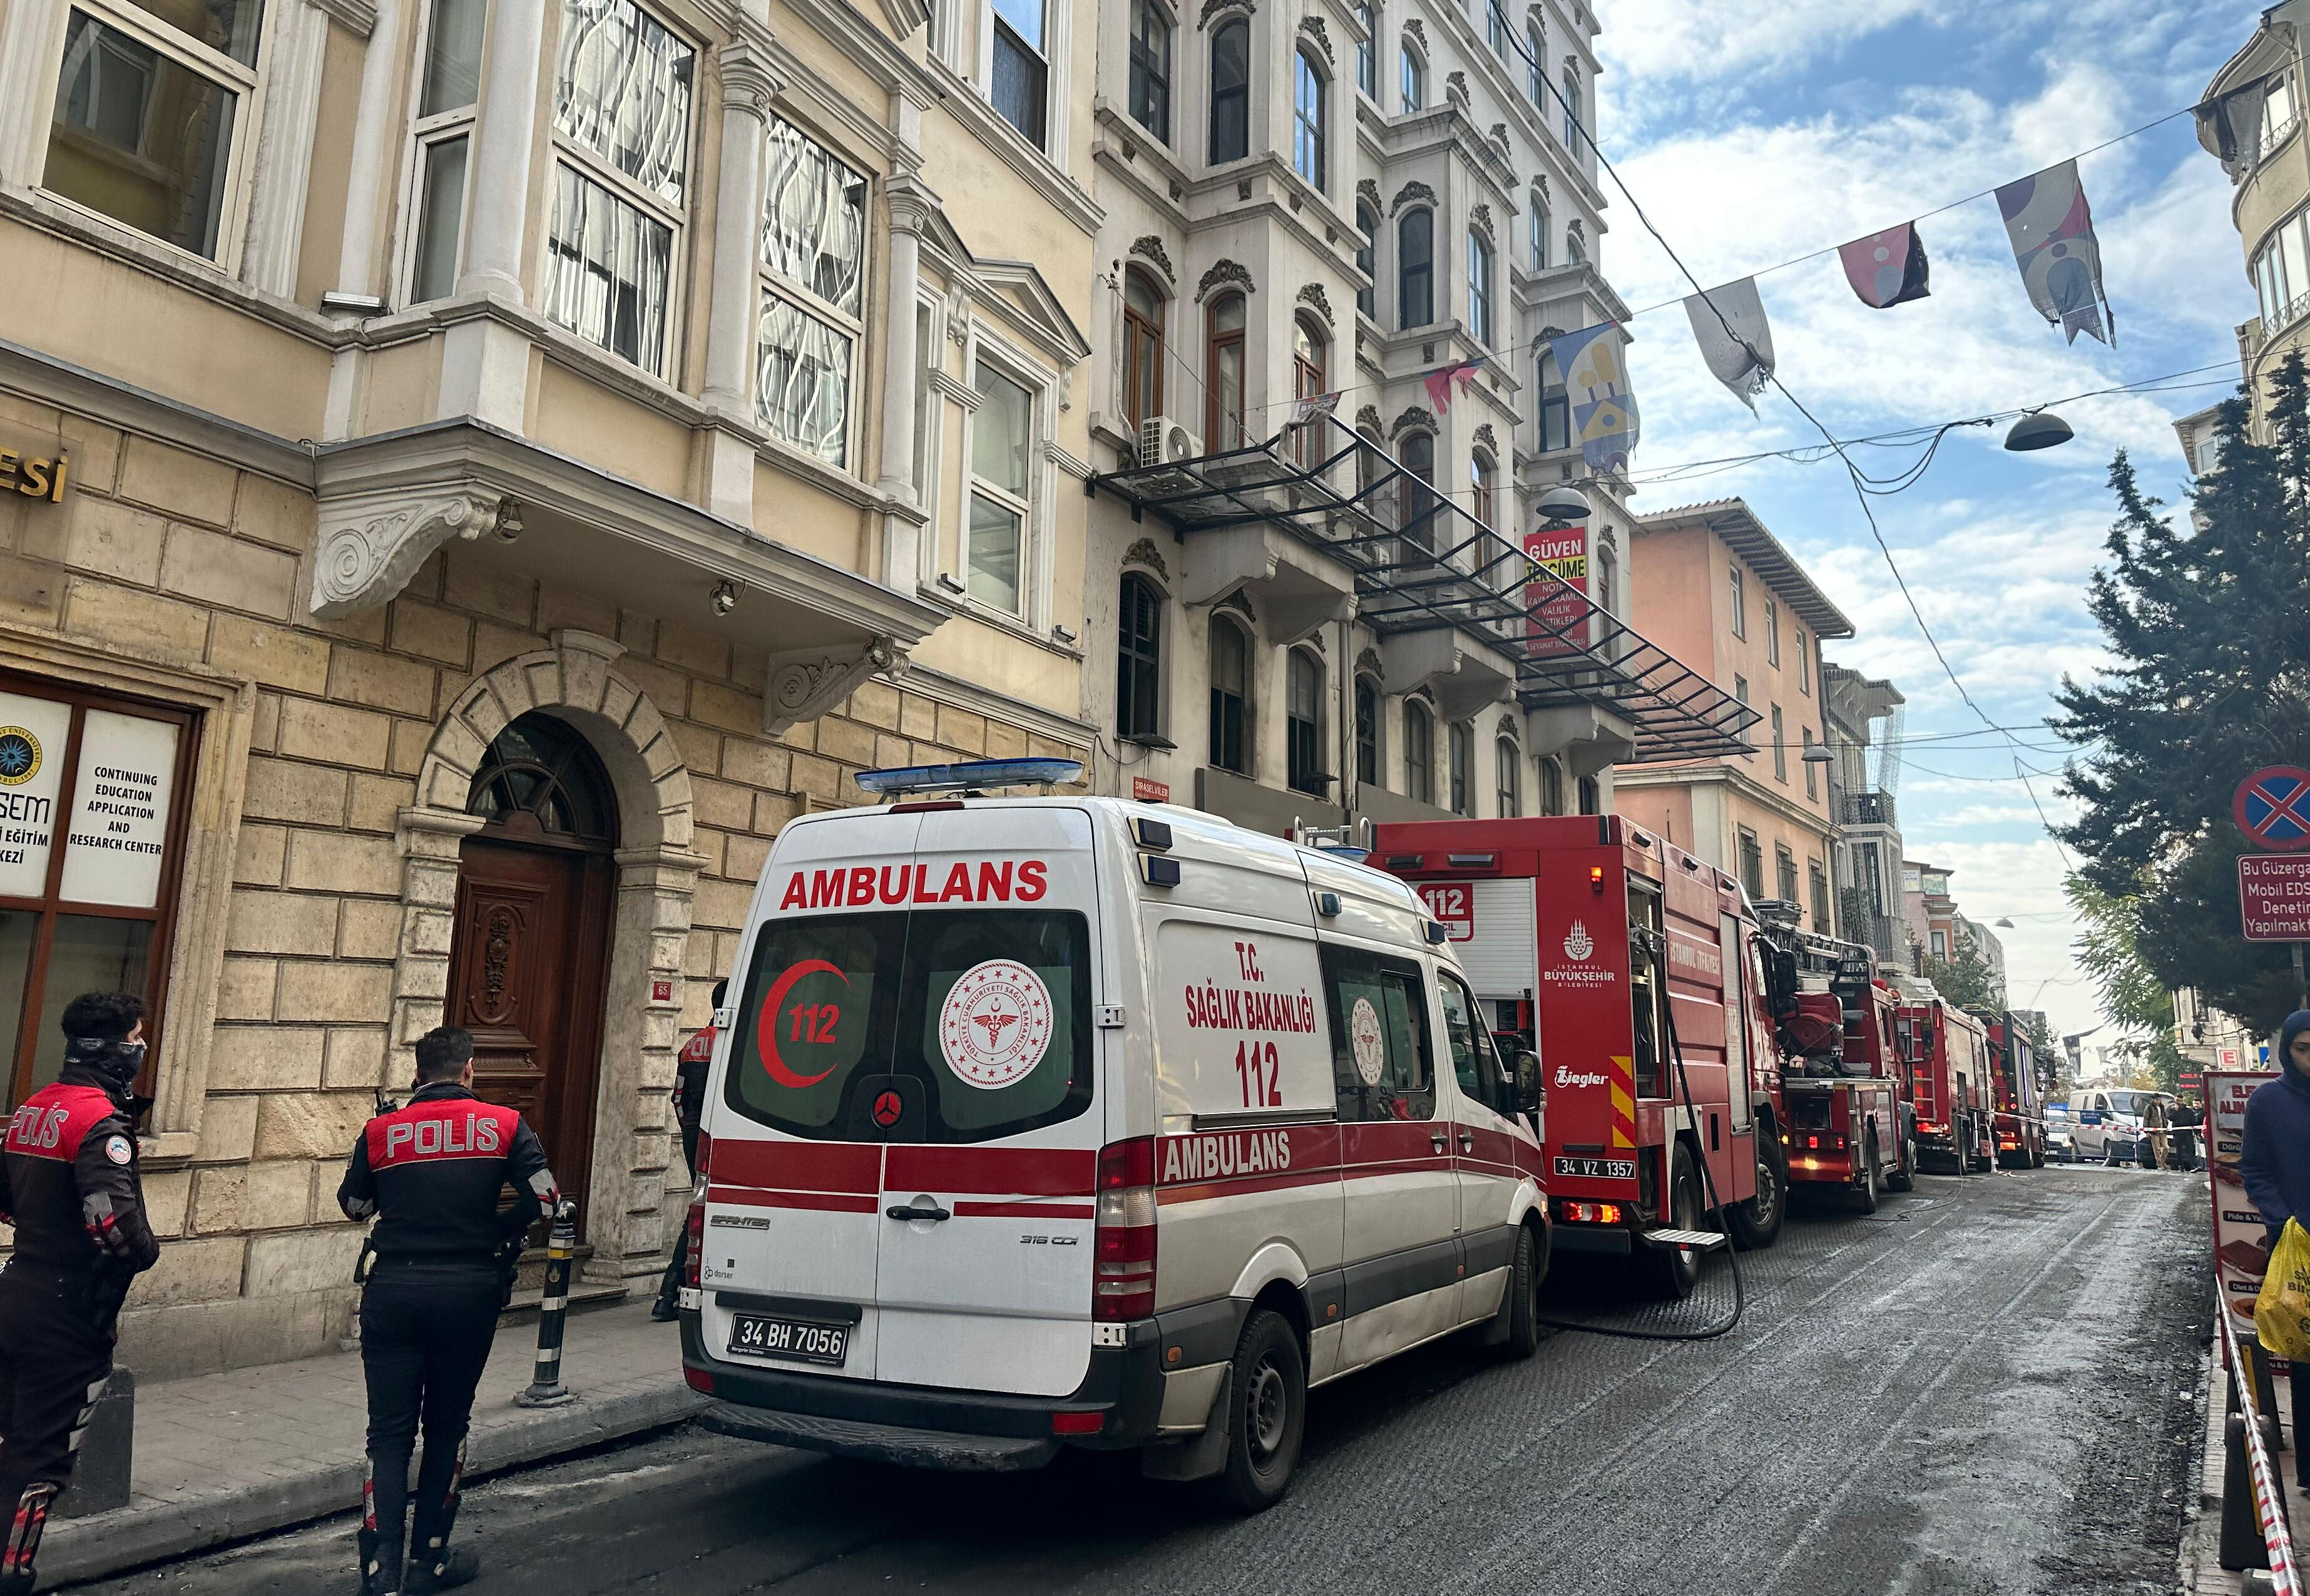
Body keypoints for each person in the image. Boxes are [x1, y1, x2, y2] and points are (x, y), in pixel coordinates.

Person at [339, 1027, 556, 1595]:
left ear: (417, 1075)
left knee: (387, 1434)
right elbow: (549, 1200)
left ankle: (377, 1572)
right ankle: (428, 1560)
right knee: (446, 1426)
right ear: (469, 1071)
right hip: (469, 1290)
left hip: (393, 1290)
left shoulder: (381, 1129)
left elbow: (354, 1205)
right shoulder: (506, 1125)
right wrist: (492, 1229)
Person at [0, 993, 160, 1594]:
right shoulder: (98, 1122)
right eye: (138, 1037)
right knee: (39, 1463)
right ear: (118, 1047)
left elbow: (5, 1195)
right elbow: (112, 1223)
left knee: (9, 1445)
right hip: (68, 1312)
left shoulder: (32, 1109)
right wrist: (145, 1249)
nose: (142, 1048)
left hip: (17, 1290)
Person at [2241, 1011, 2310, 1487]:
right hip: (2299, 1248)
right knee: (2306, 1359)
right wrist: (2283, 1220)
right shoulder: (2268, 1102)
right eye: (2303, 1048)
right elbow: (2255, 1169)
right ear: (2286, 1050)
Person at [653, 979, 724, 1322]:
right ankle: (671, 1292)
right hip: (717, 1140)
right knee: (704, 1206)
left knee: (701, 1203)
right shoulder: (729, 1044)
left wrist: (690, 1133)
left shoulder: (694, 1042)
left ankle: (674, 1292)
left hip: (693, 1135)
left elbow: (679, 1099)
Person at [2171, 1095, 2202, 1174]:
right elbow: (2169, 1117)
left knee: (2190, 1150)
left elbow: (2193, 1120)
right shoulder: (2172, 1109)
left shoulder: (2188, 1110)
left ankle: (2193, 1166)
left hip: (2187, 1133)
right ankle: (2180, 1167)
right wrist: (2175, 1111)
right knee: (2179, 1151)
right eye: (2178, 1101)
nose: (2179, 1102)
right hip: (2177, 1133)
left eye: (2181, 1101)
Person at [2143, 1091, 2170, 1171]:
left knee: (2166, 1148)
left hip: (2163, 1130)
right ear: (2153, 1100)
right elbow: (2146, 1119)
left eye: (2159, 1099)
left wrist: (2166, 1124)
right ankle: (2160, 1164)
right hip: (2154, 1131)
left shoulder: (2162, 1107)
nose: (2158, 1101)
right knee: (2157, 1149)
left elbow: (2164, 1117)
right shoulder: (2149, 1108)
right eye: (2156, 1100)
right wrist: (2147, 1131)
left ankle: (2162, 1161)